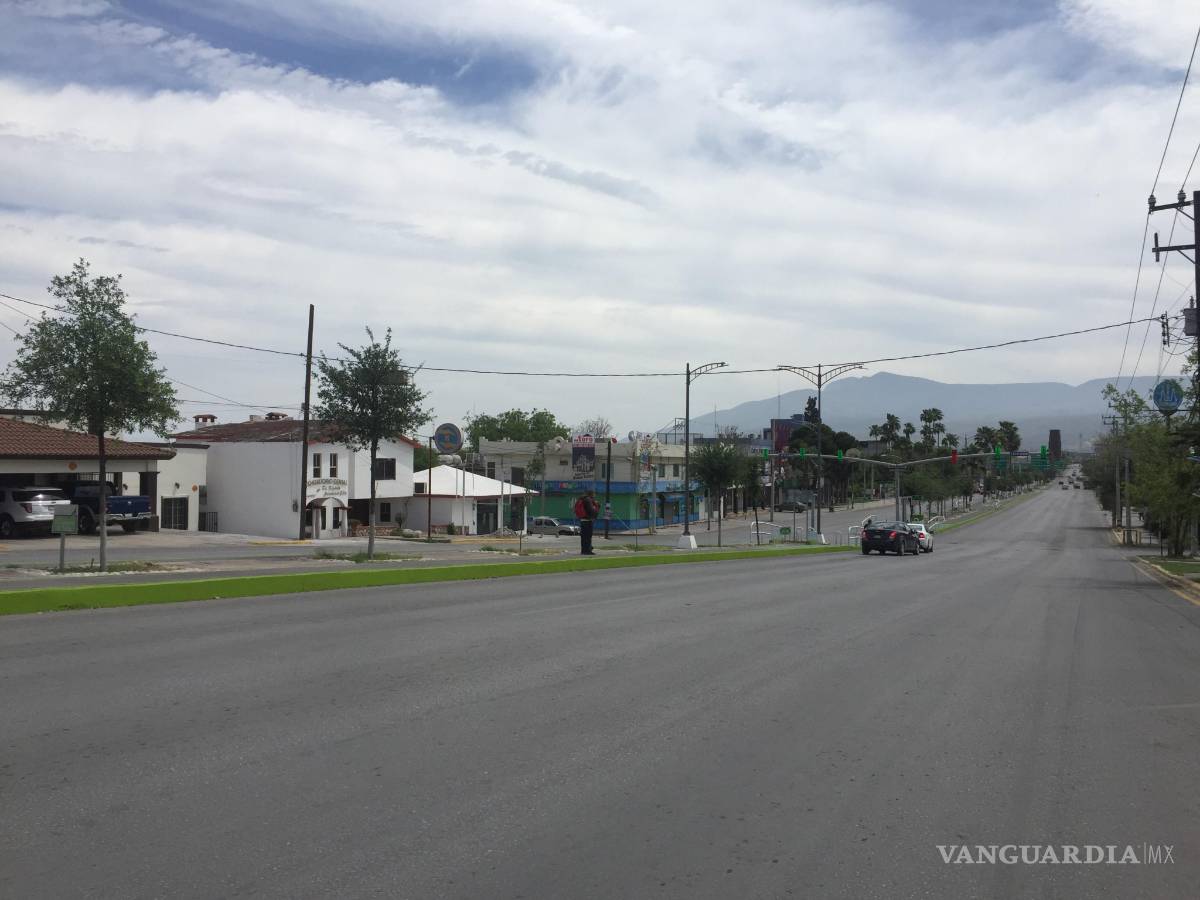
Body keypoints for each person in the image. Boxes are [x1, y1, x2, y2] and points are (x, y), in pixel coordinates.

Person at [574, 490, 599, 555]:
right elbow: (591, 510)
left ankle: (584, 550)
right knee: (588, 537)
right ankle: (588, 550)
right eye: (594, 494)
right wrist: (596, 507)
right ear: (592, 494)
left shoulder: (581, 499)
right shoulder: (588, 500)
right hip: (588, 520)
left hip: (582, 520)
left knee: (583, 537)